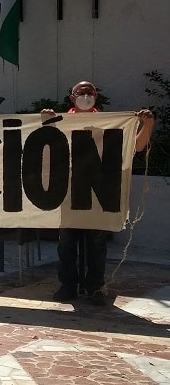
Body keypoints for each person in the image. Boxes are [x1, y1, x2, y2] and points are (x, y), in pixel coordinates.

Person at [42, 80, 155, 306]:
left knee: (96, 244)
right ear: (72, 98)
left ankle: (94, 288)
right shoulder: (60, 122)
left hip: (99, 193)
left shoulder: (110, 124)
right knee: (67, 243)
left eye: (89, 92)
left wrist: (147, 124)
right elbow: (45, 149)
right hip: (69, 193)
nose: (85, 96)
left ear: (96, 97)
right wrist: (46, 123)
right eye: (81, 92)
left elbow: (136, 147)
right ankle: (68, 286)